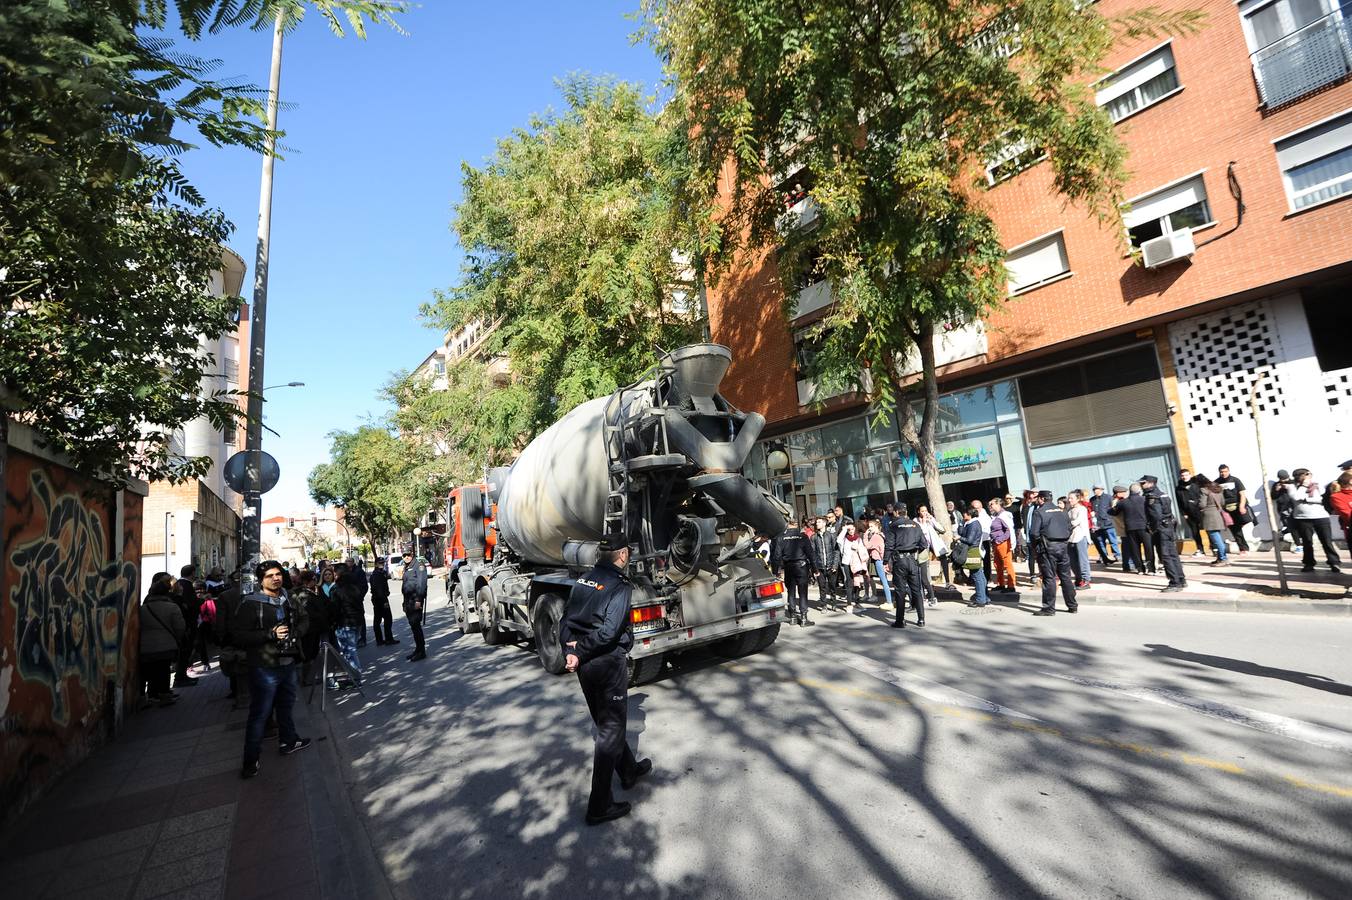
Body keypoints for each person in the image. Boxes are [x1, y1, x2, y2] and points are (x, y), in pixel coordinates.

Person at [560, 534, 652, 826]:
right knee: (610, 730)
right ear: (622, 555)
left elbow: (565, 621)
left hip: (586, 664)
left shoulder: (584, 579)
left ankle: (628, 771)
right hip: (606, 662)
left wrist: (571, 649)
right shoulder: (619, 586)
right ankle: (599, 805)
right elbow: (609, 632)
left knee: (605, 721)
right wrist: (580, 652)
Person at [228, 560, 311, 778]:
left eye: (278, 574)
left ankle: (289, 741)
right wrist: (270, 635)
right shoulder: (250, 603)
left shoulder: (288, 596)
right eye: (269, 576)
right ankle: (250, 760)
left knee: (286, 706)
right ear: (260, 580)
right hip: (264, 667)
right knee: (260, 714)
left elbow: (304, 619)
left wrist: (297, 633)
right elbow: (238, 636)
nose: (275, 578)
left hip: (288, 662)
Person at [1028, 490, 1077, 616]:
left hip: (1047, 548)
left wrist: (1036, 547)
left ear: (1042, 499)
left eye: (1038, 498)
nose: (1037, 500)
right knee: (1065, 577)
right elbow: (1070, 527)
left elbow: (1034, 533)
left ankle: (1049, 608)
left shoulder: (1039, 512)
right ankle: (1072, 605)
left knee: (1049, 578)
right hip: (1062, 547)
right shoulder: (1062, 511)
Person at [140, 575, 185, 707]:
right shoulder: (172, 607)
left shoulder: (143, 608)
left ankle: (149, 696)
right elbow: (180, 627)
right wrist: (177, 638)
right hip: (166, 644)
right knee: (163, 670)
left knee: (148, 671)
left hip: (146, 645)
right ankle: (164, 695)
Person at [1286, 468, 1343, 573]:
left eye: (1310, 474)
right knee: (1307, 542)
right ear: (1299, 476)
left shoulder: (1317, 485)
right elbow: (1296, 497)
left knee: (1327, 541)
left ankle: (1334, 562)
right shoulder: (1292, 486)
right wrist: (1304, 486)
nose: (1309, 476)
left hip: (1321, 516)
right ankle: (1308, 563)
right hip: (1302, 518)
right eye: (1307, 475)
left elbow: (1322, 499)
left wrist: (1307, 499)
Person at [1140, 475, 1187, 592]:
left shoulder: (1152, 497)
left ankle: (1174, 583)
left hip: (1161, 529)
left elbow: (1156, 516)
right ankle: (1181, 580)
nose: (1141, 486)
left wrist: (1153, 529)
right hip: (1168, 527)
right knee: (1173, 555)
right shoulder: (1162, 494)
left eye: (1143, 483)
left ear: (1151, 483)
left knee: (1166, 556)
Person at [886, 505, 927, 628]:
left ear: (897, 512)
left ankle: (900, 620)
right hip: (912, 559)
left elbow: (889, 545)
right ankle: (921, 620)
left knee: (900, 591)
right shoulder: (915, 525)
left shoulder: (893, 525)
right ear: (906, 512)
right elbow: (924, 543)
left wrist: (885, 561)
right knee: (916, 590)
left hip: (900, 560)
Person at [771, 519, 814, 626]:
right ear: (796, 524)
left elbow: (776, 556)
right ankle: (804, 617)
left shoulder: (781, 537)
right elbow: (810, 554)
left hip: (788, 567)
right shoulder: (803, 536)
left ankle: (793, 617)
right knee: (803, 592)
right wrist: (815, 568)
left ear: (787, 525)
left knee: (791, 591)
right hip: (801, 567)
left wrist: (775, 571)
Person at [294, 571, 329, 685]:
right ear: (307, 581)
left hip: (316, 627)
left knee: (313, 652)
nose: (316, 581)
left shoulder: (314, 591)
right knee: (308, 653)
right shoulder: (302, 594)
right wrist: (320, 615)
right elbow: (307, 612)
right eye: (314, 579)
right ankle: (306, 679)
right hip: (309, 629)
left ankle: (309, 677)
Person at [330, 563, 365, 675]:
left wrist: (334, 622)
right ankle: (353, 675)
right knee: (351, 649)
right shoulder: (354, 586)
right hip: (357, 621)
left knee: (349, 651)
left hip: (346, 623)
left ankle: (355, 676)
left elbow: (335, 609)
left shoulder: (337, 588)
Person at [171, 563, 200, 689]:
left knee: (185, 652)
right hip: (187, 624)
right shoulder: (186, 585)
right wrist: (201, 600)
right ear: (192, 573)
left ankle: (181, 676)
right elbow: (190, 605)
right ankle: (180, 677)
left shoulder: (182, 584)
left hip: (185, 623)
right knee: (185, 651)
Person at [1115, 483, 1153, 575]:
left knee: (1135, 549)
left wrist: (1115, 503)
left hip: (1130, 528)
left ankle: (1140, 569)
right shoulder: (1144, 500)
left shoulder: (1123, 502)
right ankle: (1151, 569)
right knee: (1148, 548)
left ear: (1129, 491)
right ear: (1139, 491)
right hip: (1144, 527)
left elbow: (1113, 512)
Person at [955, 508, 990, 608]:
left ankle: (980, 599)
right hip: (973, 550)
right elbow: (962, 532)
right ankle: (984, 597)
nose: (963, 515)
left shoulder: (974, 524)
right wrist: (961, 523)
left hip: (973, 551)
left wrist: (959, 538)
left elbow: (969, 540)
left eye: (964, 514)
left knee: (977, 575)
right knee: (980, 575)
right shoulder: (969, 523)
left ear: (969, 514)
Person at [915, 505, 948, 605]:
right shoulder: (916, 521)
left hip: (933, 546)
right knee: (925, 570)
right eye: (922, 511)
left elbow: (942, 529)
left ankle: (946, 582)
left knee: (943, 559)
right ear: (918, 512)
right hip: (922, 548)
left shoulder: (930, 519)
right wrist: (924, 522)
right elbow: (922, 532)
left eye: (926, 510)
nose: (925, 512)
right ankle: (928, 589)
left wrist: (932, 520)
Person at [1215, 465, 1251, 555]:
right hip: (1225, 509)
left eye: (1225, 471)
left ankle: (1243, 547)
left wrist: (1242, 506)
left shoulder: (1235, 480)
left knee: (1243, 523)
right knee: (1234, 528)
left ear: (1228, 471)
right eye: (1221, 472)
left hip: (1237, 506)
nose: (1223, 473)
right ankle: (1243, 548)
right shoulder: (1216, 482)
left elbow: (1242, 494)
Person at [808, 515, 841, 610]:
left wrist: (835, 565)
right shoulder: (814, 537)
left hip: (831, 565)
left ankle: (834, 603)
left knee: (832, 586)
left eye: (819, 522)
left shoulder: (831, 535)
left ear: (824, 523)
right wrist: (814, 568)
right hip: (820, 566)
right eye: (816, 522)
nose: (817, 524)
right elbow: (812, 553)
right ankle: (824, 605)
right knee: (822, 587)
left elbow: (836, 551)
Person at [401, 550, 429, 660]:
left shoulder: (419, 566)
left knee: (416, 627)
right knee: (413, 627)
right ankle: (417, 649)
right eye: (404, 555)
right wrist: (404, 603)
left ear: (412, 555)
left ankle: (421, 652)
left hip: (415, 600)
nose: (407, 557)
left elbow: (421, 584)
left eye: (409, 554)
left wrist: (419, 600)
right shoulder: (407, 567)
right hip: (408, 600)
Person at [1196, 475, 1230, 566]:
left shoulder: (1203, 490)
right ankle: (1220, 558)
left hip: (1209, 516)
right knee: (1218, 537)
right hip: (1218, 514)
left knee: (1216, 538)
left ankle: (1223, 559)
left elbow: (1202, 504)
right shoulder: (1217, 488)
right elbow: (1222, 502)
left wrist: (1198, 504)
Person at [862, 518, 893, 610]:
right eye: (869, 527)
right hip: (878, 559)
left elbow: (867, 545)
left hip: (878, 560)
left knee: (883, 581)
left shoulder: (876, 537)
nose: (870, 528)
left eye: (871, 526)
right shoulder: (880, 535)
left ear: (877, 527)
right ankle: (888, 600)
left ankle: (889, 601)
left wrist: (865, 535)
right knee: (882, 580)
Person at [988, 498, 1018, 593]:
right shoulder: (995, 516)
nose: (990, 506)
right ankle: (1001, 584)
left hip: (1003, 543)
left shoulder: (1005, 515)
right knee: (997, 564)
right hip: (996, 543)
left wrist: (1000, 540)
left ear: (998, 504)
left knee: (1007, 564)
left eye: (992, 504)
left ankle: (1011, 585)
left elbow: (1009, 530)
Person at [839, 522, 870, 609]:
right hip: (847, 563)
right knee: (849, 582)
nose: (851, 531)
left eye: (852, 529)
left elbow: (862, 550)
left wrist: (857, 548)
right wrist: (845, 529)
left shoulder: (858, 539)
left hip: (857, 564)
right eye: (849, 530)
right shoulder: (844, 539)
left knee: (857, 583)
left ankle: (857, 601)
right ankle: (849, 603)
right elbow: (838, 540)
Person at [1087, 485, 1120, 567]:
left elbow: (1113, 508)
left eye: (1097, 489)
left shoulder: (1108, 497)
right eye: (1094, 489)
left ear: (1101, 489)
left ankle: (1117, 555)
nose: (1095, 491)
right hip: (1098, 525)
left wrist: (1109, 518)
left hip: (1108, 524)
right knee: (1100, 542)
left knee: (1112, 541)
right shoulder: (1092, 499)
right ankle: (1103, 556)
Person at [1175, 469, 1205, 557]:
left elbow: (1202, 497)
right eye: (1183, 475)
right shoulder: (1179, 488)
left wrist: (1200, 506)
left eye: (1186, 475)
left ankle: (1214, 548)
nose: (1185, 477)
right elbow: (1179, 502)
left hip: (1200, 511)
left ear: (1190, 475)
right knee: (1195, 532)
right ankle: (1200, 549)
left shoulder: (1196, 485)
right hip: (1188, 513)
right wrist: (1183, 513)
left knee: (1208, 530)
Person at [369, 557, 397, 645]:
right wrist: (384, 600)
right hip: (381, 599)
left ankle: (380, 640)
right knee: (387, 619)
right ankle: (388, 639)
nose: (382, 564)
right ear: (376, 564)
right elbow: (379, 589)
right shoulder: (377, 574)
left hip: (378, 598)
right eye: (380, 563)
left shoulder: (378, 573)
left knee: (377, 620)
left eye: (383, 563)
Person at [1067, 489, 1092, 589]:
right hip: (1071, 538)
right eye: (1069, 498)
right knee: (1073, 561)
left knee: (1082, 560)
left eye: (1071, 498)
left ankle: (1086, 580)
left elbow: (1076, 522)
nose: (1069, 500)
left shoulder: (1082, 509)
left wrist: (1065, 524)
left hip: (1080, 537)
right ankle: (1078, 579)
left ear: (1078, 499)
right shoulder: (1069, 510)